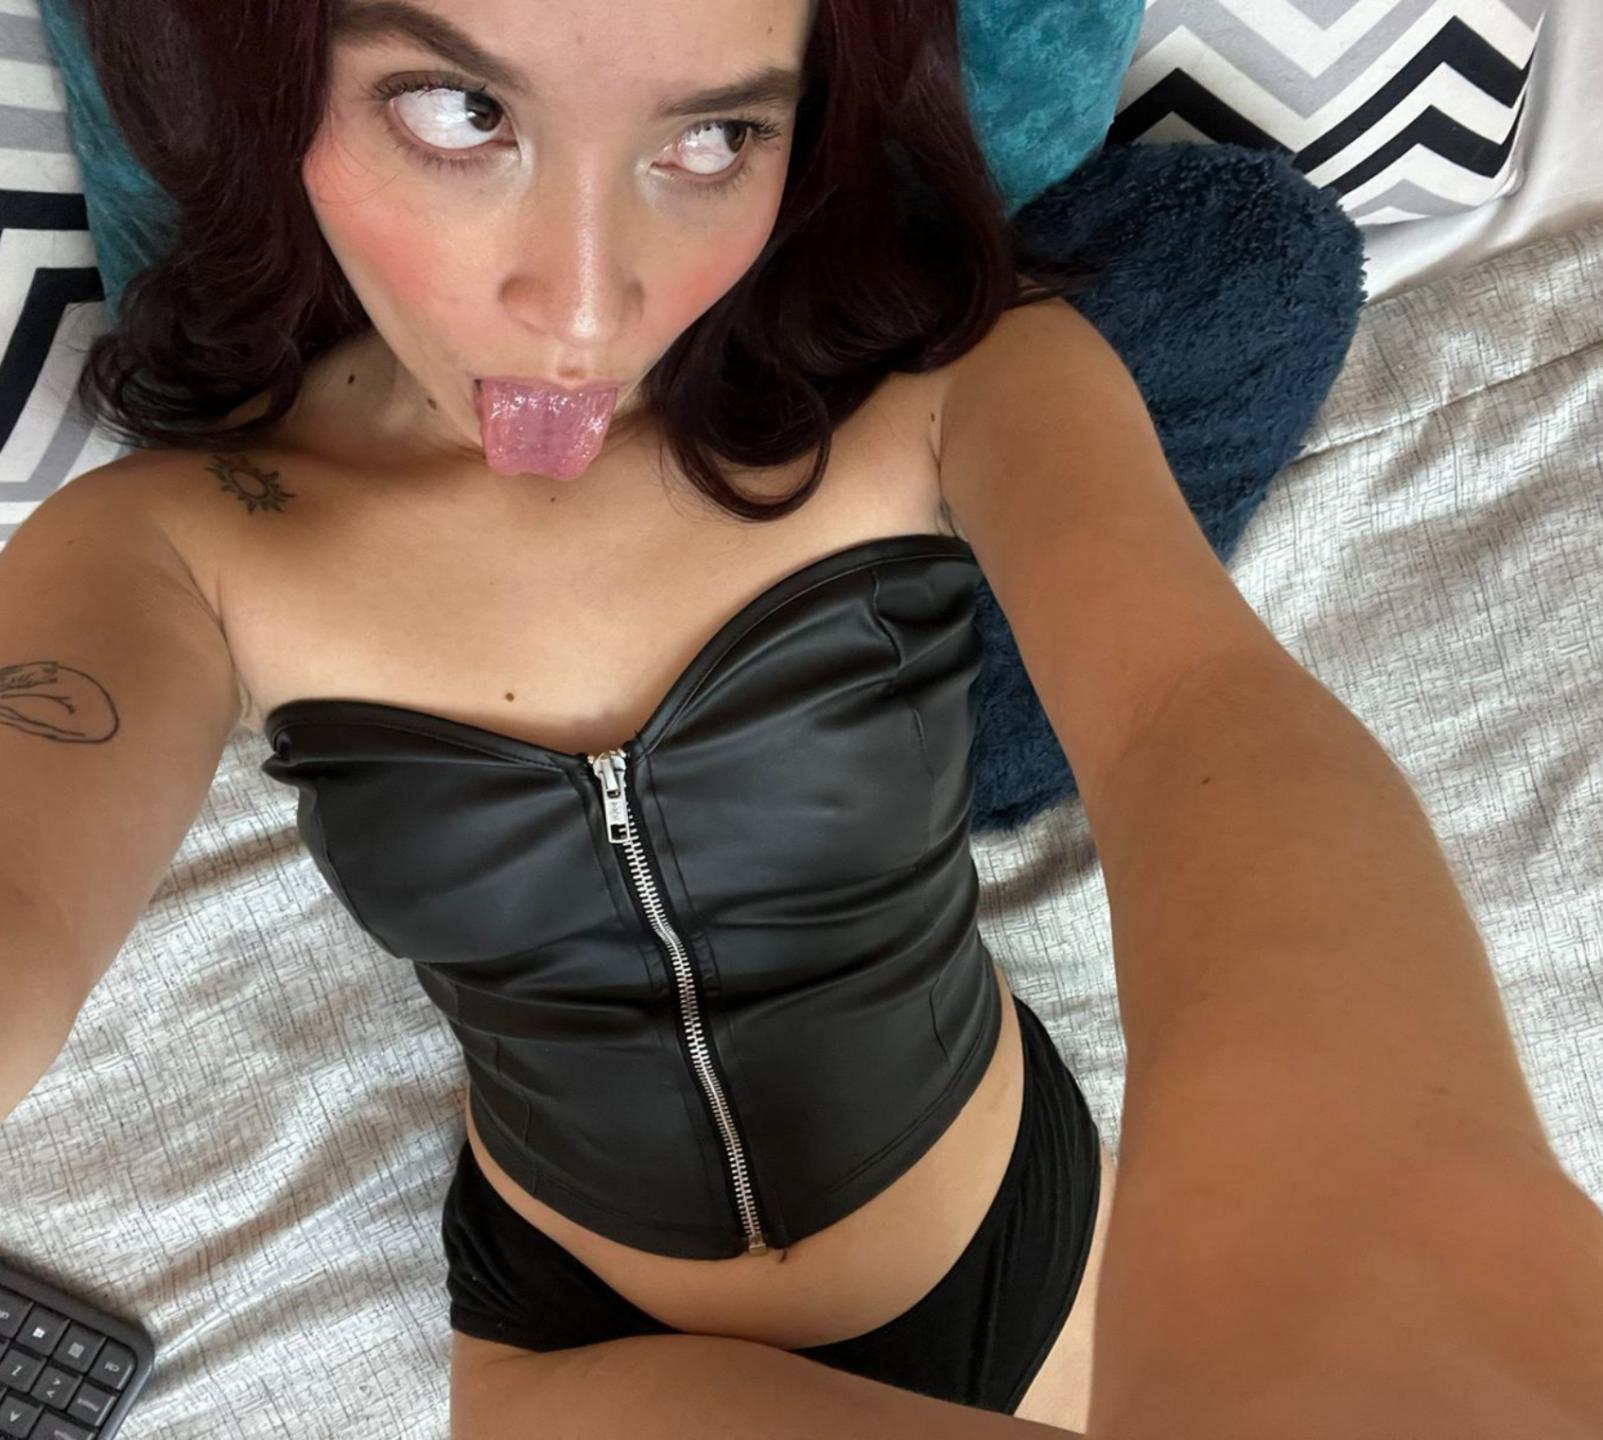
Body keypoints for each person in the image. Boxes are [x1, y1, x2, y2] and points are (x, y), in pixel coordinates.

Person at [5, 1, 1601, 1437]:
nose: (582, 309)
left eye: (712, 135)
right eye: (459, 109)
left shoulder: (957, 385)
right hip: (580, 1339)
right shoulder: (179, 541)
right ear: (275, 70)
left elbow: (1198, 711)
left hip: (1016, 1233)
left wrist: (1427, 1222)